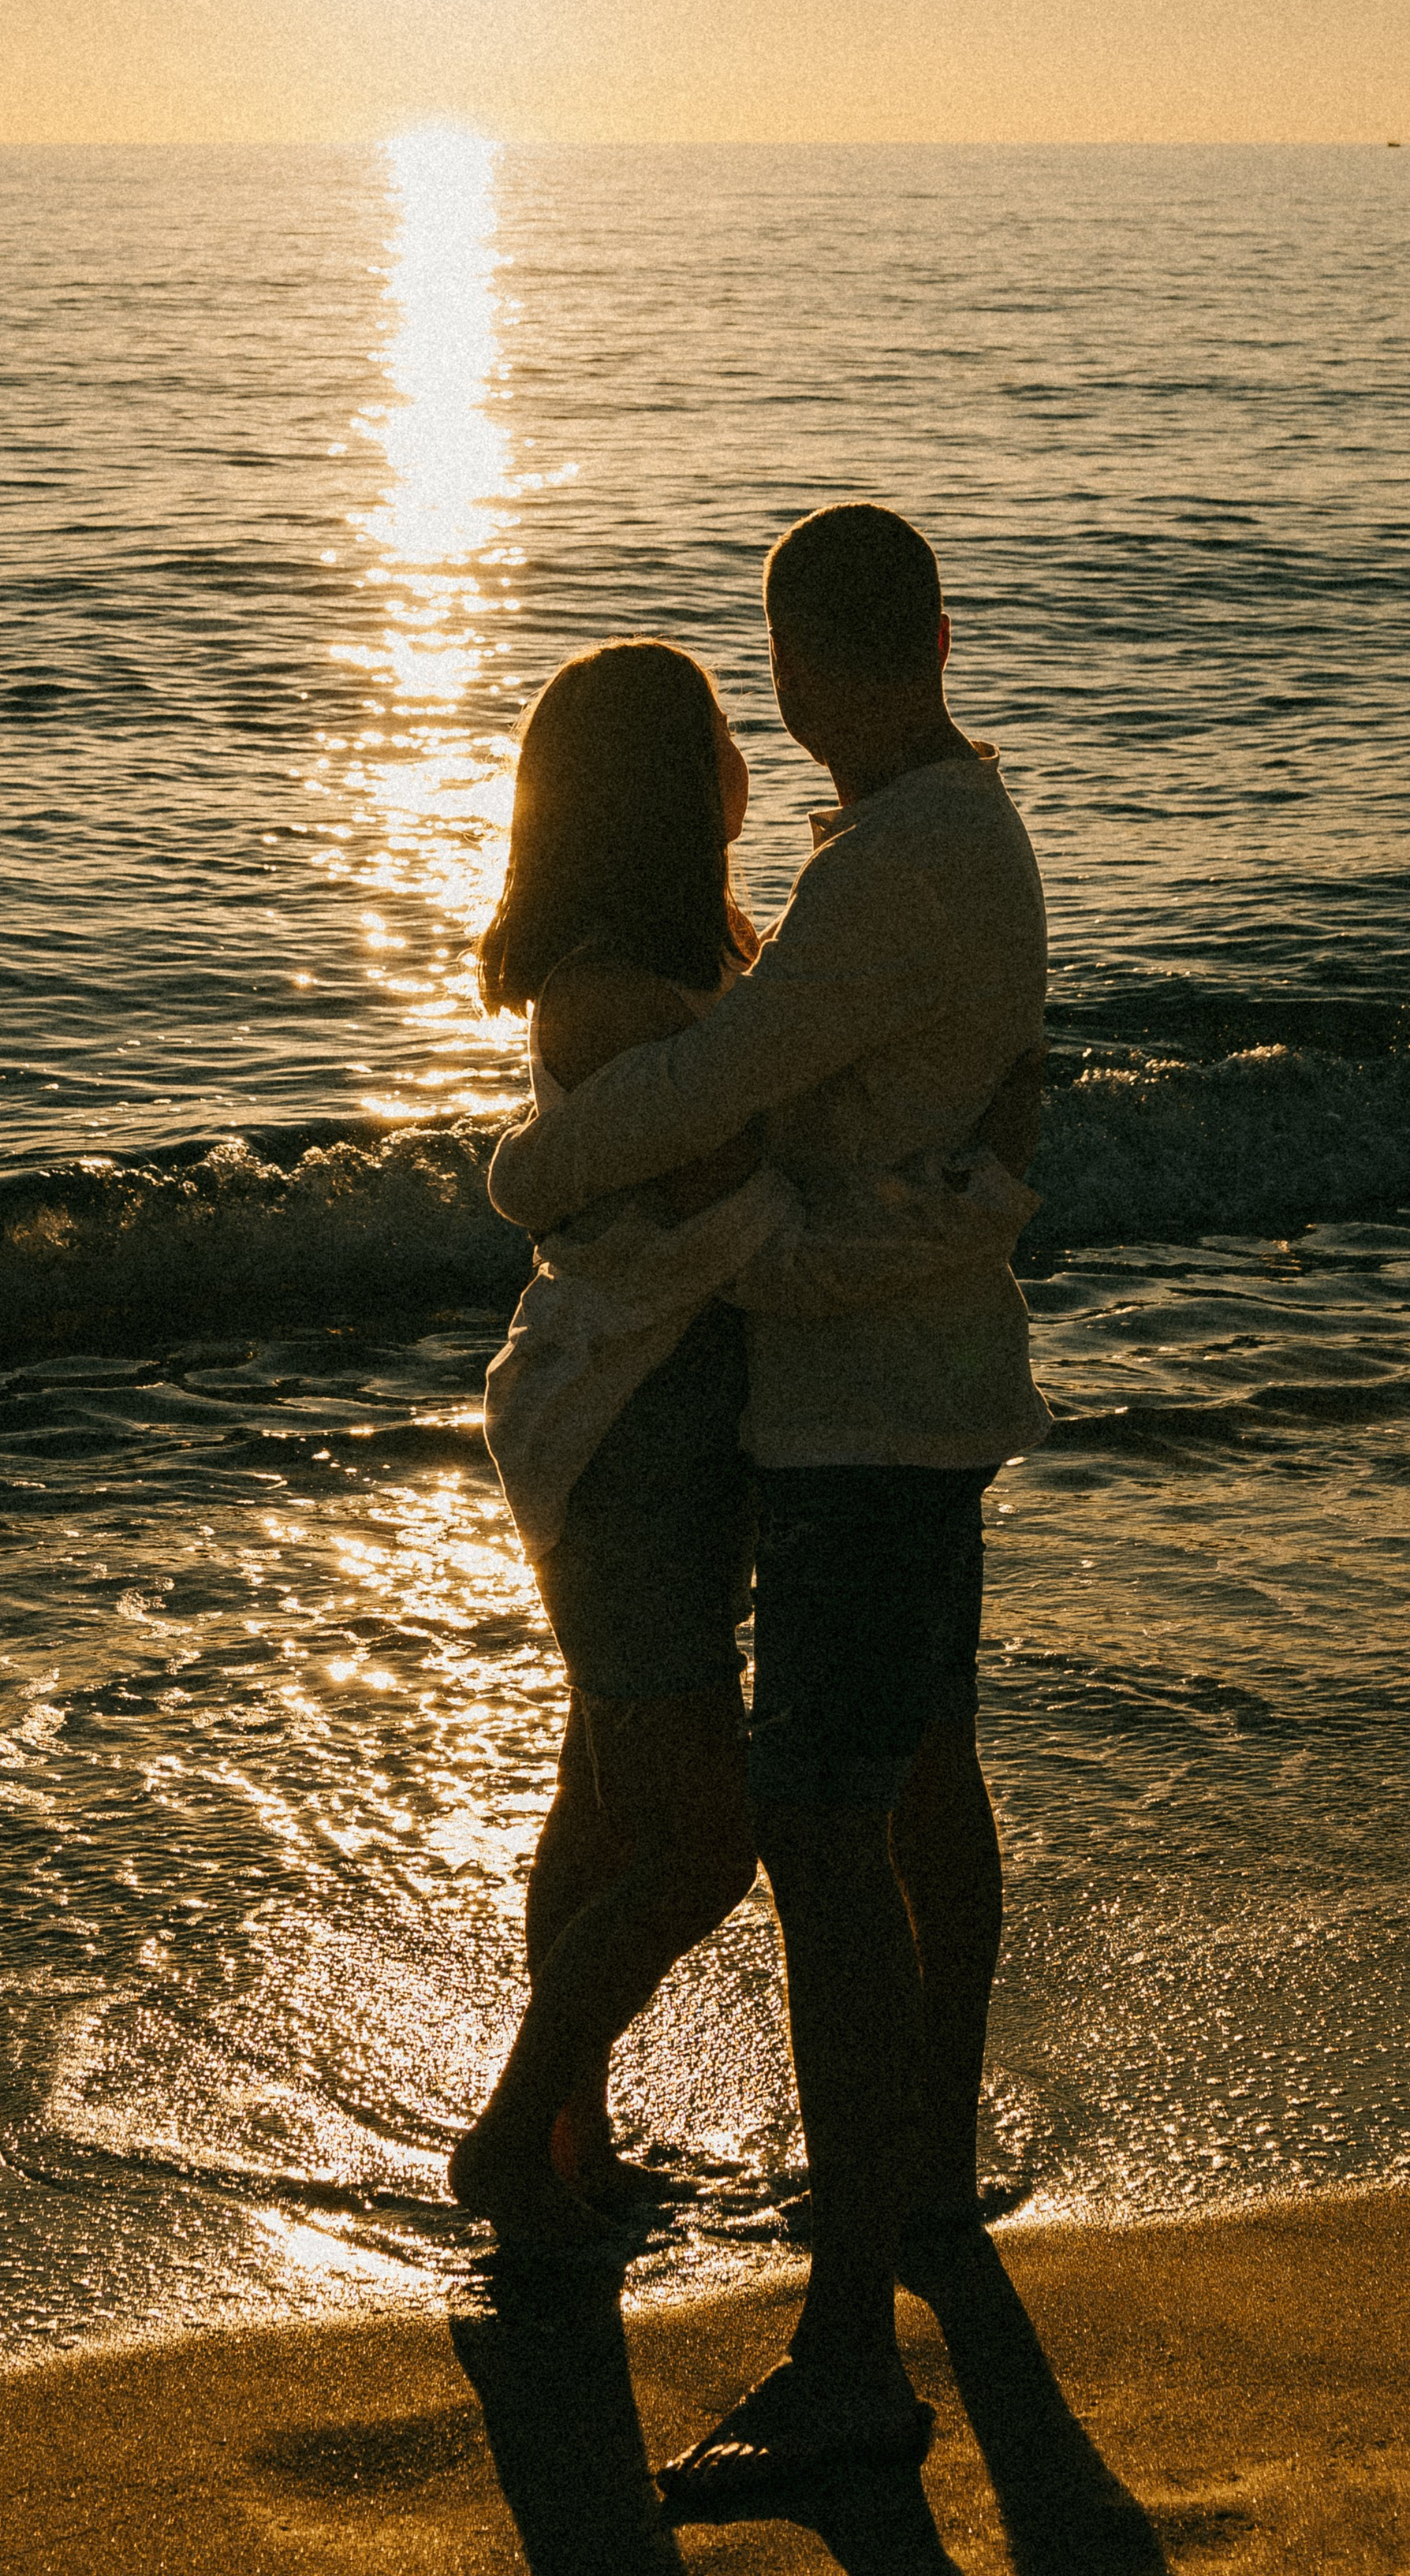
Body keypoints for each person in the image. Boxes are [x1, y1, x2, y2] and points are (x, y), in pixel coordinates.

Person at [487, 509, 1050, 2496]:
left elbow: (720, 1095)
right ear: (937, 634)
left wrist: (527, 1176)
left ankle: (848, 2344)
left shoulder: (894, 861)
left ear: (801, 667)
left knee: (819, 1828)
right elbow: (778, 1114)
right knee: (913, 1787)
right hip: (901, 1404)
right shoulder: (933, 842)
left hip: (860, 1424)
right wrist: (969, 1200)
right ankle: (920, 2189)